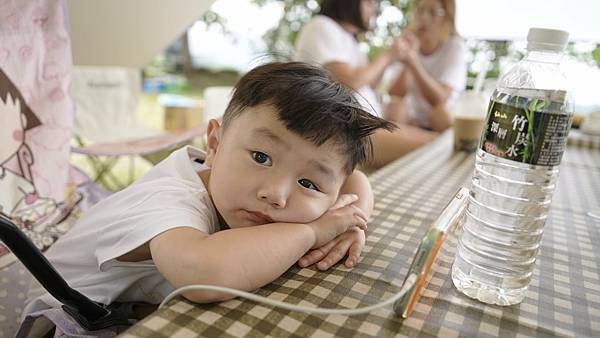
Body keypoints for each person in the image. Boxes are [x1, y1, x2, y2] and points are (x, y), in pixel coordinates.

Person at [20, 62, 394, 335]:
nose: (276, 195)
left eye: (308, 183)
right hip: (50, 318)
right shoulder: (169, 198)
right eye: (261, 158)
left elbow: (354, 179)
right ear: (213, 144)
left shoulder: (238, 188)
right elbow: (205, 274)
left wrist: (351, 219)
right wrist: (314, 231)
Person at [294, 0, 440, 168]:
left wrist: (398, 56)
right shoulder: (321, 26)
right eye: (370, 2)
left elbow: (368, 85)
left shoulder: (350, 40)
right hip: (344, 131)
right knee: (435, 148)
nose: (374, 10)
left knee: (437, 142)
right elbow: (350, 82)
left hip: (364, 125)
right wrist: (388, 55)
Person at [387, 0, 468, 132]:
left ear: (447, 18)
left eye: (433, 12)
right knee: (395, 106)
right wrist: (407, 57)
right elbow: (394, 93)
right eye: (420, 10)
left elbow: (440, 99)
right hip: (410, 120)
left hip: (440, 121)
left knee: (439, 112)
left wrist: (414, 63)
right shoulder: (407, 42)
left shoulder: (454, 47)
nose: (423, 17)